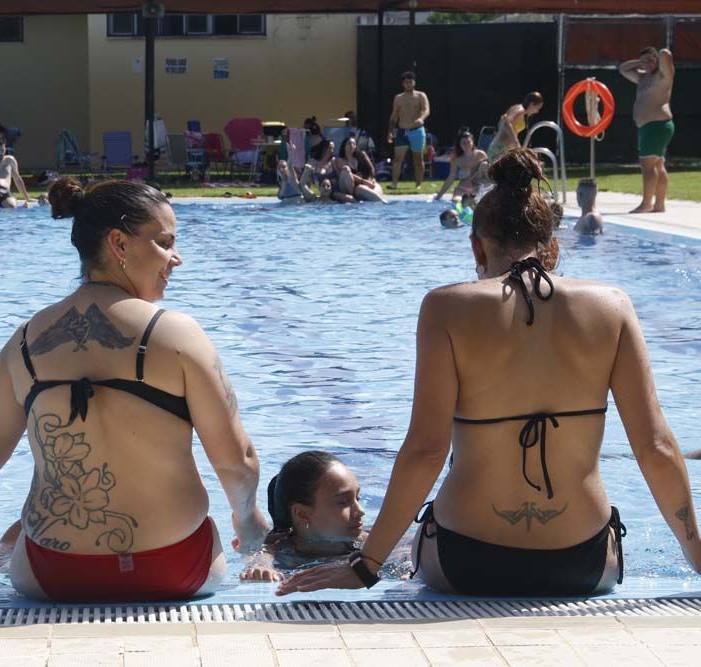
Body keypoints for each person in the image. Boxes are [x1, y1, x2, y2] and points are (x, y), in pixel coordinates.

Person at [278, 148, 701, 598]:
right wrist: (698, 557)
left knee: (410, 549)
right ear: (553, 249)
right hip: (584, 561)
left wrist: (366, 566)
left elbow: (425, 450)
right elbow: (655, 447)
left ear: (477, 245)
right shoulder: (613, 307)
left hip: (466, 560)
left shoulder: (446, 308)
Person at [0, 177, 269, 602]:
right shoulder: (177, 334)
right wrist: (249, 523)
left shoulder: (26, 341)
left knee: (13, 538)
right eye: (164, 243)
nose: (176, 258)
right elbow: (237, 462)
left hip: (52, 574)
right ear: (119, 243)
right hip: (175, 567)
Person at [240, 452, 367, 582]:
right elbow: (261, 558)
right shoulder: (278, 546)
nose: (361, 511)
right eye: (343, 502)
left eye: (358, 498)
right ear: (302, 513)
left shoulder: (367, 543)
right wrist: (261, 568)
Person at [620, 47, 675, 214]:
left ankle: (646, 204)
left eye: (652, 60)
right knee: (658, 165)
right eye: (645, 61)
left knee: (648, 166)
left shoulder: (663, 76)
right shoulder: (642, 77)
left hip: (656, 126)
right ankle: (659, 205)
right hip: (648, 128)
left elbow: (666, 54)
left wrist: (657, 56)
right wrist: (642, 62)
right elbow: (622, 68)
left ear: (657, 60)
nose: (649, 63)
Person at [387, 71, 430, 190]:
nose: (408, 84)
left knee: (418, 159)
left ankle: (418, 185)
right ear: (403, 84)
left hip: (417, 131)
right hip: (402, 131)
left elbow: (426, 109)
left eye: (410, 82)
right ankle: (394, 184)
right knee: (397, 159)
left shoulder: (421, 95)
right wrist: (390, 131)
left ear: (414, 83)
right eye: (406, 82)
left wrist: (421, 118)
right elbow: (394, 115)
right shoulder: (399, 98)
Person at [487, 92, 544, 162]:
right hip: (500, 149)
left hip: (503, 149)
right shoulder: (520, 110)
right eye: (538, 108)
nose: (537, 112)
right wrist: (517, 144)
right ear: (532, 104)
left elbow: (501, 123)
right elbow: (506, 123)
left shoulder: (518, 110)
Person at [434, 129, 489, 202]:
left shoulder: (481, 155)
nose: (466, 145)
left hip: (478, 188)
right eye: (463, 143)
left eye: (468, 142)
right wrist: (439, 196)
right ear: (459, 144)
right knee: (456, 201)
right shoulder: (457, 160)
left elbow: (489, 173)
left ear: (472, 142)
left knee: (484, 164)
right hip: (463, 188)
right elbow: (450, 178)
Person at [333, 137, 387, 203]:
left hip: (369, 183)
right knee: (360, 188)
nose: (351, 146)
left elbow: (371, 169)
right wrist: (364, 182)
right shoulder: (340, 160)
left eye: (353, 144)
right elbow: (348, 175)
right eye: (349, 144)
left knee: (376, 192)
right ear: (344, 146)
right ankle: (382, 202)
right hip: (354, 187)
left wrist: (371, 179)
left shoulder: (362, 155)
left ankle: (383, 205)